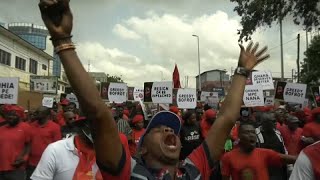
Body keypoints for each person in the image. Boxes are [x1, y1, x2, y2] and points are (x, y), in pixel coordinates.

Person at [38, 1, 270, 178]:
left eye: (171, 129)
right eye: (158, 129)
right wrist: (62, 41)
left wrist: (242, 71)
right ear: (142, 151)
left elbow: (227, 118)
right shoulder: (127, 172)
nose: (169, 131)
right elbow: (99, 115)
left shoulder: (193, 169)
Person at [221, 122, 296, 180]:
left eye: (253, 132)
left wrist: (306, 155)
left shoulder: (265, 153)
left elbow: (287, 159)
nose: (251, 135)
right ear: (239, 135)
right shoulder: (228, 157)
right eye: (247, 132)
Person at [27, 106, 62, 180]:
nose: (36, 114)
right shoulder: (31, 125)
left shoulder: (55, 127)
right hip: (31, 163)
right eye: (36, 112)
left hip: (46, 163)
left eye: (38, 112)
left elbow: (58, 146)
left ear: (47, 115)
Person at [0, 105, 31, 180]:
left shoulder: (26, 127)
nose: (10, 117)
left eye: (14, 115)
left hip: (16, 168)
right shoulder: (1, 129)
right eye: (9, 114)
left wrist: (24, 158)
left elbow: (29, 145)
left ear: (20, 116)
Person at [255, 112, 288, 180]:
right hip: (264, 171)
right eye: (273, 121)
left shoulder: (277, 133)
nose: (276, 123)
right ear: (265, 122)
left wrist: (288, 165)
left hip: (279, 170)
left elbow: (283, 149)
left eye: (275, 120)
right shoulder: (255, 135)